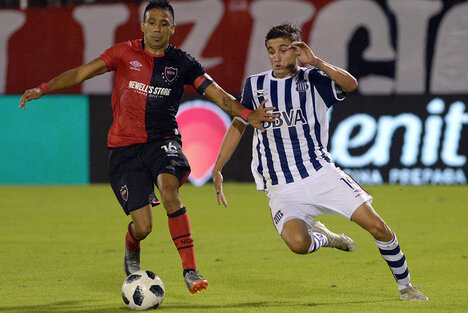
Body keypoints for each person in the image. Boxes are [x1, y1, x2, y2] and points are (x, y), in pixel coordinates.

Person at [19, 0, 276, 295]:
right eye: (152, 22)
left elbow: (218, 95)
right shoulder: (123, 53)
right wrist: (43, 88)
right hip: (125, 150)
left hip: (163, 142)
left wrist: (247, 115)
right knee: (143, 226)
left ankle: (190, 270)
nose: (157, 28)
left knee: (170, 193)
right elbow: (81, 73)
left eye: (164, 23)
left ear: (173, 29)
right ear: (142, 25)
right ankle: (132, 246)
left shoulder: (182, 63)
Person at [212, 24, 428, 301]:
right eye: (270, 52)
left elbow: (351, 84)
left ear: (297, 49)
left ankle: (406, 286)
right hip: (281, 185)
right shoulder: (256, 85)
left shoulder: (314, 78)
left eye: (283, 50)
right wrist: (218, 168)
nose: (276, 57)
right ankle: (326, 237)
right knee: (298, 244)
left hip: (320, 174)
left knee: (378, 227)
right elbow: (238, 125)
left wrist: (316, 61)